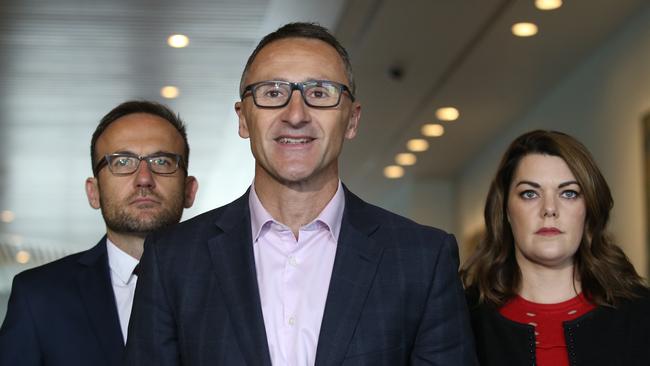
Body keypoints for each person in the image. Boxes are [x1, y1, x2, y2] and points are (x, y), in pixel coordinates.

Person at [126, 22, 476, 366]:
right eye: (273, 93)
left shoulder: (421, 259)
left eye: (320, 93)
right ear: (243, 118)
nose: (295, 115)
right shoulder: (173, 260)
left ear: (352, 120)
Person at [0, 100, 199, 366]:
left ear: (189, 190)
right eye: (122, 162)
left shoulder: (230, 284)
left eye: (162, 161)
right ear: (93, 192)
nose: (143, 178)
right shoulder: (39, 296)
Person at [461, 130, 650, 366]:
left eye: (568, 193)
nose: (549, 209)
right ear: (506, 210)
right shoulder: (464, 319)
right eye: (530, 193)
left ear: (589, 208)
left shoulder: (641, 314)